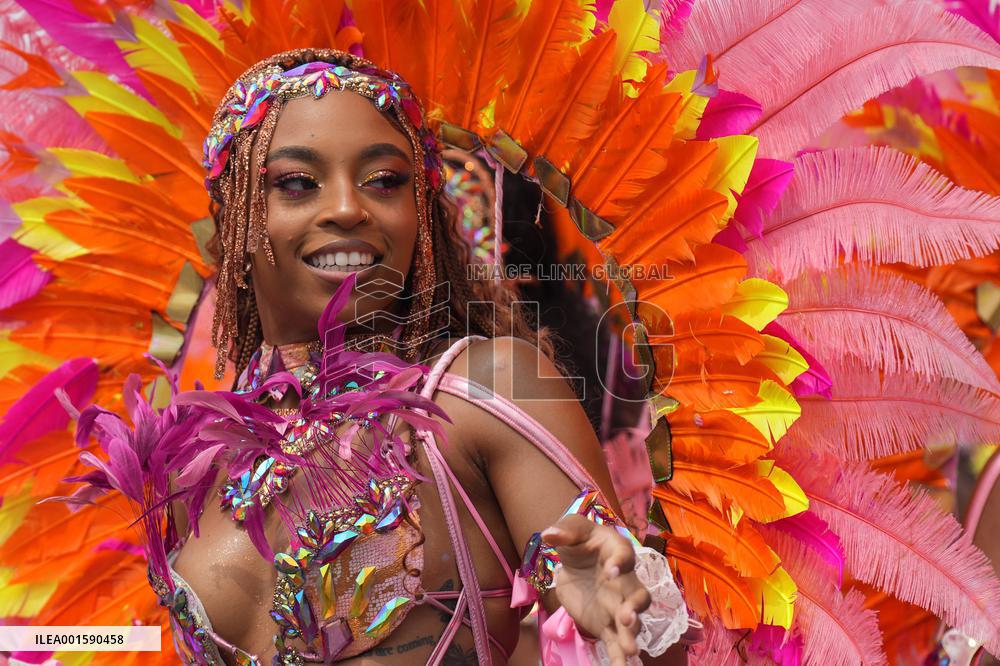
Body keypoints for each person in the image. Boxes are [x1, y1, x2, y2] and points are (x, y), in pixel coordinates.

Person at [61, 49, 689, 666]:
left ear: (419, 212)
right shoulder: (194, 463)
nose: (345, 208)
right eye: (297, 183)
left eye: (384, 180)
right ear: (234, 227)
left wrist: (628, 619)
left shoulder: (483, 389)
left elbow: (630, 625)